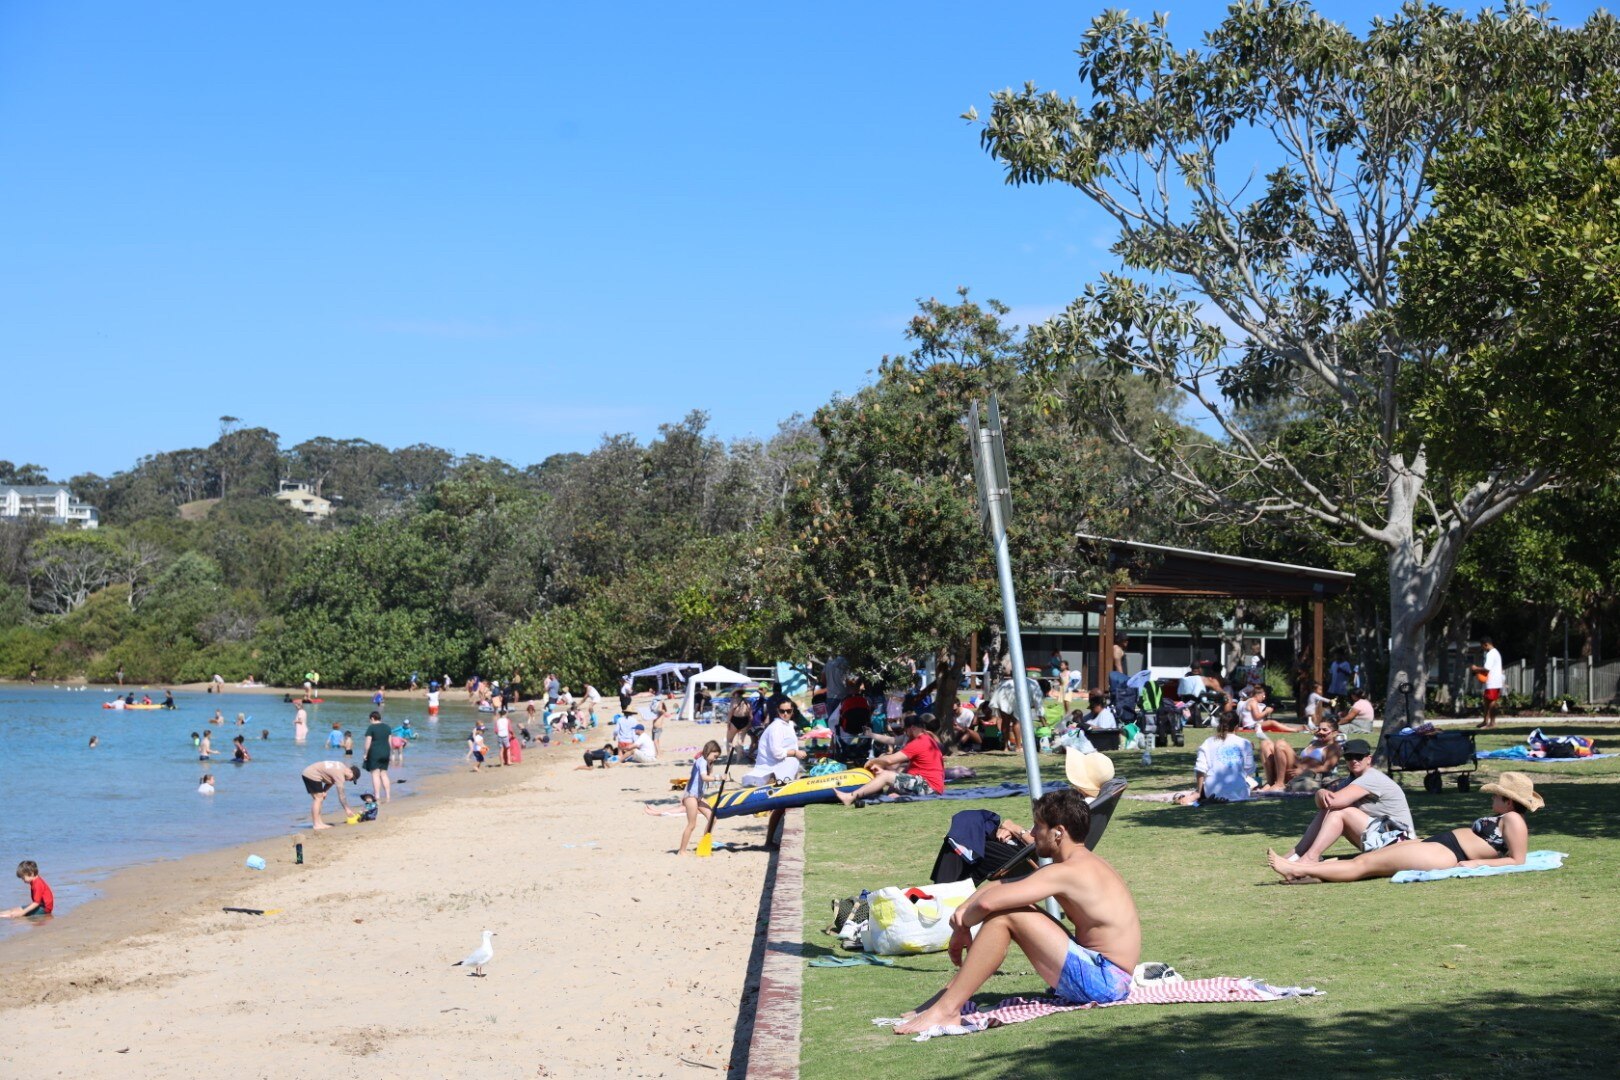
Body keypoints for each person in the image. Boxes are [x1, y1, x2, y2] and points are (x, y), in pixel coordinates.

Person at [893, 788, 1140, 1034]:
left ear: (1058, 832)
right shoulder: (1080, 864)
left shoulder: (1066, 872)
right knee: (1016, 907)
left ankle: (947, 1009)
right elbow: (1001, 885)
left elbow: (990, 904)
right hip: (1106, 973)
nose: (1031, 834)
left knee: (1006, 915)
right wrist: (963, 911)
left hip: (1106, 982)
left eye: (1037, 827)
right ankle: (946, 999)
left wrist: (963, 925)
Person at [1269, 773, 1541, 883]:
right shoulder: (1508, 818)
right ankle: (1308, 873)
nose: (1492, 798)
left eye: (1496, 795)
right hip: (1439, 845)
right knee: (1366, 860)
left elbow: (1517, 860)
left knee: (1364, 865)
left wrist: (1475, 865)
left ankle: (1298, 868)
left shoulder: (1514, 819)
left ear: (1508, 800)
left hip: (1447, 853)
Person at [1283, 739, 1416, 862]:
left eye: (1358, 757)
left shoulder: (1371, 777)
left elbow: (1332, 802)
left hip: (1401, 841)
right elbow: (1324, 805)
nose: (1354, 761)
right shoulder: (1350, 781)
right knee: (1332, 810)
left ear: (1369, 759)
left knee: (1340, 812)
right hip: (1384, 838)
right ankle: (1299, 852)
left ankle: (1310, 857)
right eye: (1349, 757)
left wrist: (1320, 792)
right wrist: (1321, 794)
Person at [834, 714, 946, 805]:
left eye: (905, 730)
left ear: (912, 728)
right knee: (892, 773)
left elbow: (890, 760)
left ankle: (850, 797)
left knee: (886, 775)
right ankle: (894, 792)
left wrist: (873, 761)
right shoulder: (927, 739)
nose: (905, 733)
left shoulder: (919, 742)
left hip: (929, 787)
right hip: (929, 784)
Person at [1176, 708, 1254, 805]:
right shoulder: (1245, 743)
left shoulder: (1208, 742)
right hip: (1241, 794)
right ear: (1237, 727)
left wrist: (1198, 792)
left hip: (1212, 792)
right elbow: (1249, 770)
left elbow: (1201, 769)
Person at [1259, 717, 1341, 791]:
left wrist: (1303, 770)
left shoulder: (1334, 747)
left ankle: (1280, 784)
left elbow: (1326, 768)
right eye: (1319, 729)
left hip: (1305, 775)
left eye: (1324, 730)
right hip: (1295, 769)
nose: (1320, 732)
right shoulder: (1314, 742)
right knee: (1265, 744)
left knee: (1281, 744)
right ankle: (1270, 782)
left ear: (1334, 733)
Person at [675, 741, 724, 855]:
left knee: (713, 819)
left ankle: (704, 843)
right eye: (715, 756)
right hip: (691, 797)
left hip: (698, 797)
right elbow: (704, 777)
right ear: (709, 751)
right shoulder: (701, 761)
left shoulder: (706, 763)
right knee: (692, 824)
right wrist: (719, 777)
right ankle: (682, 851)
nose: (715, 759)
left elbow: (705, 778)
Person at [302, 761, 360, 830]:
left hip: (311, 772)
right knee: (318, 799)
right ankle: (316, 824)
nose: (350, 780)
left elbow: (331, 779)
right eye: (352, 778)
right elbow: (342, 795)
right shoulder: (340, 775)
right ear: (350, 771)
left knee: (320, 798)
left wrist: (325, 790)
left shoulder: (341, 766)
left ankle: (319, 822)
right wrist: (347, 809)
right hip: (311, 774)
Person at [1470, 635, 1506, 729]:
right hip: (1492, 681)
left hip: (1493, 682)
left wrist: (1475, 668)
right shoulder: (1495, 652)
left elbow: (1487, 668)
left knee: (1492, 702)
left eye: (1482, 646)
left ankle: (1492, 723)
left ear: (1486, 645)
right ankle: (1485, 721)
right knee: (1486, 701)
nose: (1482, 649)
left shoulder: (1490, 654)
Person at [362, 710, 393, 803]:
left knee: (375, 774)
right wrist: (390, 754)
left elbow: (368, 742)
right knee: (383, 774)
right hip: (386, 752)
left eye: (370, 720)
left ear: (372, 718)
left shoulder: (371, 728)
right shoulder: (387, 727)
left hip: (375, 753)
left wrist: (365, 753)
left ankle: (377, 795)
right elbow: (390, 742)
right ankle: (388, 795)